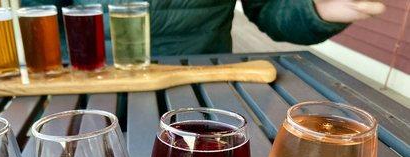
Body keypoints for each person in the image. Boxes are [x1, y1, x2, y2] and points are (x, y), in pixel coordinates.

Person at [21, 0, 386, 56]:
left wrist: (315, 9)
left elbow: (269, 10)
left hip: (202, 84)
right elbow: (37, 13)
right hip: (87, 83)